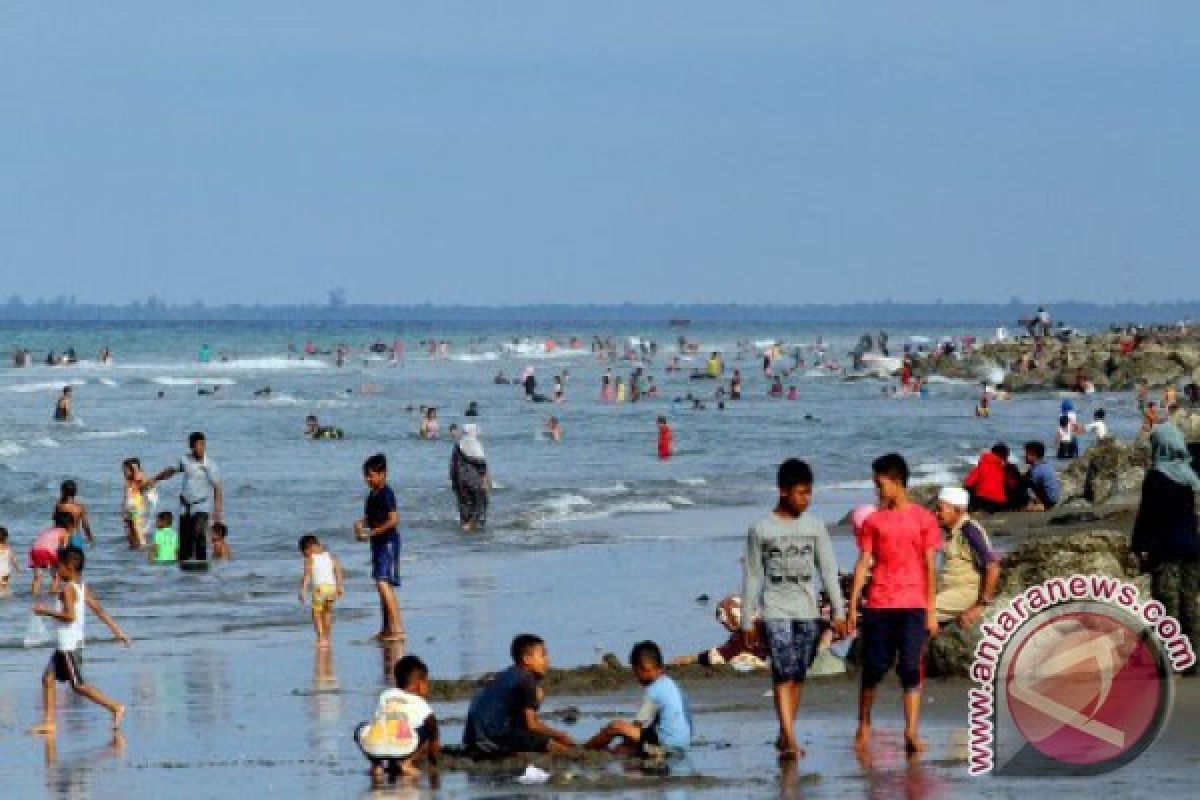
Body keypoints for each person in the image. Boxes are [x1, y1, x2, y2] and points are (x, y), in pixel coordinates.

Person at [741, 458, 847, 761]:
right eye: (801, 492)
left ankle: (785, 731)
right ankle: (789, 739)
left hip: (807, 608)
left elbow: (828, 570)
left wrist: (838, 612)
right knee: (782, 672)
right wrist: (747, 618)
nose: (806, 499)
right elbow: (752, 574)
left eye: (809, 493)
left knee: (798, 674)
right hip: (775, 606)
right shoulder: (761, 529)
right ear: (783, 491)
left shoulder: (815, 527)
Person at [847, 453, 942, 755]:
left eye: (880, 483)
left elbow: (930, 566)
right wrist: (852, 606)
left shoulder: (924, 519)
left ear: (897, 481)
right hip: (879, 602)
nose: (877, 490)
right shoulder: (874, 521)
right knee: (874, 668)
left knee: (911, 667)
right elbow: (863, 563)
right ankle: (864, 722)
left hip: (913, 603)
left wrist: (931, 611)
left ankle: (911, 731)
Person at [29, 547, 131, 734]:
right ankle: (50, 722)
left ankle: (115, 707)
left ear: (68, 566)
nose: (55, 570)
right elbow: (98, 609)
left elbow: (70, 616)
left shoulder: (68, 589)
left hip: (69, 646)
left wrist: (45, 611)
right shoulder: (81, 586)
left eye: (58, 566)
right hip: (66, 645)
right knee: (48, 678)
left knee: (78, 686)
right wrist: (118, 631)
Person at [1131, 423, 1199, 674]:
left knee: (1167, 603)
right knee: (1189, 602)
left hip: (1165, 548)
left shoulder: (1157, 476)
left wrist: (1139, 545)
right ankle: (1194, 659)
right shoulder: (1190, 475)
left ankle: (1171, 661)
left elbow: (1148, 516)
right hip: (1192, 546)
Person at [463, 634, 575, 757]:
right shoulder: (527, 680)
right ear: (526, 659)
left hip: (470, 739)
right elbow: (532, 725)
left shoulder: (503, 675)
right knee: (553, 747)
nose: (548, 660)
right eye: (543, 655)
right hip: (492, 739)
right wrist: (560, 735)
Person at [586, 641, 692, 757]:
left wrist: (619, 738)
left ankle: (586, 749)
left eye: (635, 671)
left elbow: (637, 726)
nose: (636, 677)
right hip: (683, 745)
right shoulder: (672, 685)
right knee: (623, 750)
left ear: (640, 669)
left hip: (666, 745)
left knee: (616, 726)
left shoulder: (654, 690)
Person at [355, 654, 441, 784]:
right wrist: (434, 762)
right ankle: (405, 763)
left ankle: (376, 766)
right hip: (403, 748)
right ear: (420, 684)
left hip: (373, 747)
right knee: (427, 729)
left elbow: (381, 722)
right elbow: (434, 736)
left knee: (361, 728)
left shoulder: (385, 695)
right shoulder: (422, 704)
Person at [933, 488, 1000, 629]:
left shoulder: (970, 531)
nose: (936, 514)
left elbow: (993, 567)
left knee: (918, 612)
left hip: (964, 594)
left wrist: (981, 606)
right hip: (950, 592)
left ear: (958, 511)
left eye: (940, 510)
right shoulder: (954, 531)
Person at [355, 454, 403, 642]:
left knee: (384, 584)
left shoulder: (387, 493)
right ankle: (386, 628)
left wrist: (372, 532)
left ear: (383, 474)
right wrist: (360, 524)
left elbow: (393, 520)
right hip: (377, 544)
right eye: (366, 475)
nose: (368, 479)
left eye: (371, 475)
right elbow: (371, 518)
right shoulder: (371, 496)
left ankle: (398, 628)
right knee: (380, 585)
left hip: (388, 542)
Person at [154, 432, 223, 563]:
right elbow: (171, 471)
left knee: (199, 534)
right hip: (185, 506)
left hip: (201, 506)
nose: (201, 448)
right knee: (184, 542)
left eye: (203, 445)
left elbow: (217, 488)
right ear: (192, 447)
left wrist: (218, 510)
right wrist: (155, 479)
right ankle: (185, 574)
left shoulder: (210, 465)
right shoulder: (185, 460)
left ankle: (202, 565)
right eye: (198, 445)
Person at [670, 595, 768, 668]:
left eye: (724, 623)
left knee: (740, 660)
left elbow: (722, 654)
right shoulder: (765, 623)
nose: (724, 626)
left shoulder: (742, 635)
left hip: (767, 665)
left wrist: (692, 658)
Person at [299, 534, 345, 648]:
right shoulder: (331, 556)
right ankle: (327, 637)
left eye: (303, 552)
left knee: (316, 613)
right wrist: (340, 586)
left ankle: (320, 637)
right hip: (331, 588)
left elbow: (307, 575)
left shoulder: (310, 559)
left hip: (319, 589)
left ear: (308, 548)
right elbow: (338, 571)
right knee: (327, 612)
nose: (304, 555)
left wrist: (303, 590)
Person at [453, 424, 489, 532]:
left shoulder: (458, 445)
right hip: (473, 479)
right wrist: (484, 480)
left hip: (460, 480)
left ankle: (465, 525)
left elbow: (453, 465)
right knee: (480, 503)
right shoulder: (474, 443)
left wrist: (454, 482)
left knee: (464, 504)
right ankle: (471, 527)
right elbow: (481, 462)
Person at [29, 513, 71, 596]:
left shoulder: (48, 530)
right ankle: (53, 593)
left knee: (37, 577)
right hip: (47, 552)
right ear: (69, 524)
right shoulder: (64, 532)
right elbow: (64, 549)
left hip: (35, 550)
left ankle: (33, 595)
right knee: (57, 576)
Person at [122, 458, 158, 550]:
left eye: (126, 469)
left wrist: (148, 483)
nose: (124, 472)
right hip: (128, 509)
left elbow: (146, 485)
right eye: (123, 469)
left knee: (138, 533)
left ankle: (142, 551)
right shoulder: (128, 480)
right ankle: (134, 551)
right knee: (130, 535)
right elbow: (126, 496)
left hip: (136, 509)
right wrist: (123, 509)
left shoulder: (139, 477)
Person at [963, 444, 1010, 513]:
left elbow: (968, 483)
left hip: (981, 499)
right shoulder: (1003, 468)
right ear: (1005, 457)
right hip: (998, 503)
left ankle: (972, 507)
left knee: (971, 487)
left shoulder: (982, 464)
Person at [55, 480, 94, 550]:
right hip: (76, 537)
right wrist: (90, 539)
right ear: (75, 492)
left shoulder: (59, 506)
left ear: (63, 492)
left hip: (63, 537)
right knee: (77, 559)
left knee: (62, 559)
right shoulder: (80, 506)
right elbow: (86, 526)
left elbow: (56, 525)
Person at [1022, 441, 1061, 511]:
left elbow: (1026, 485)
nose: (1024, 456)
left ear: (1033, 455)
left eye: (1026, 454)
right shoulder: (1044, 465)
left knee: (1025, 485)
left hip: (1048, 500)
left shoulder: (1037, 470)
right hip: (1053, 498)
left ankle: (1041, 506)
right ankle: (1040, 504)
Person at [0, 526, 19, 597]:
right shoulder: (8, 548)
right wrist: (17, 569)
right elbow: (13, 559)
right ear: (6, 537)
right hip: (6, 570)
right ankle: (5, 595)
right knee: (4, 586)